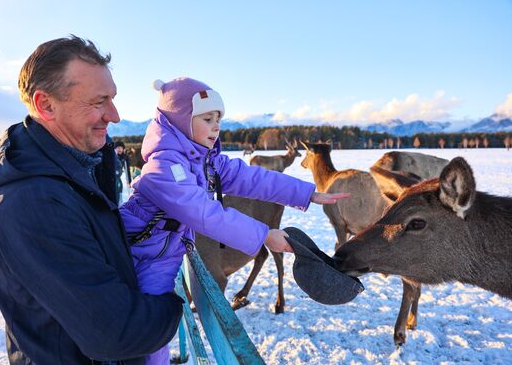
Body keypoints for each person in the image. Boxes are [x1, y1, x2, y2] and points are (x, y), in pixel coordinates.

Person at [0, 36, 183, 365]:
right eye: (99, 102)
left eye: (112, 99)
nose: (114, 115)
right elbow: (116, 333)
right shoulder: (34, 202)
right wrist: (173, 303)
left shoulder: (78, 169)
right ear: (46, 105)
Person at [119, 77, 349, 364]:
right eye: (207, 118)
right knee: (152, 334)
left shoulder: (201, 159)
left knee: (155, 332)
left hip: (163, 253)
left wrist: (304, 193)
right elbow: (203, 213)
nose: (216, 126)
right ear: (179, 120)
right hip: (142, 255)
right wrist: (264, 235)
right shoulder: (165, 166)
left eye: (219, 118)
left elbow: (250, 177)